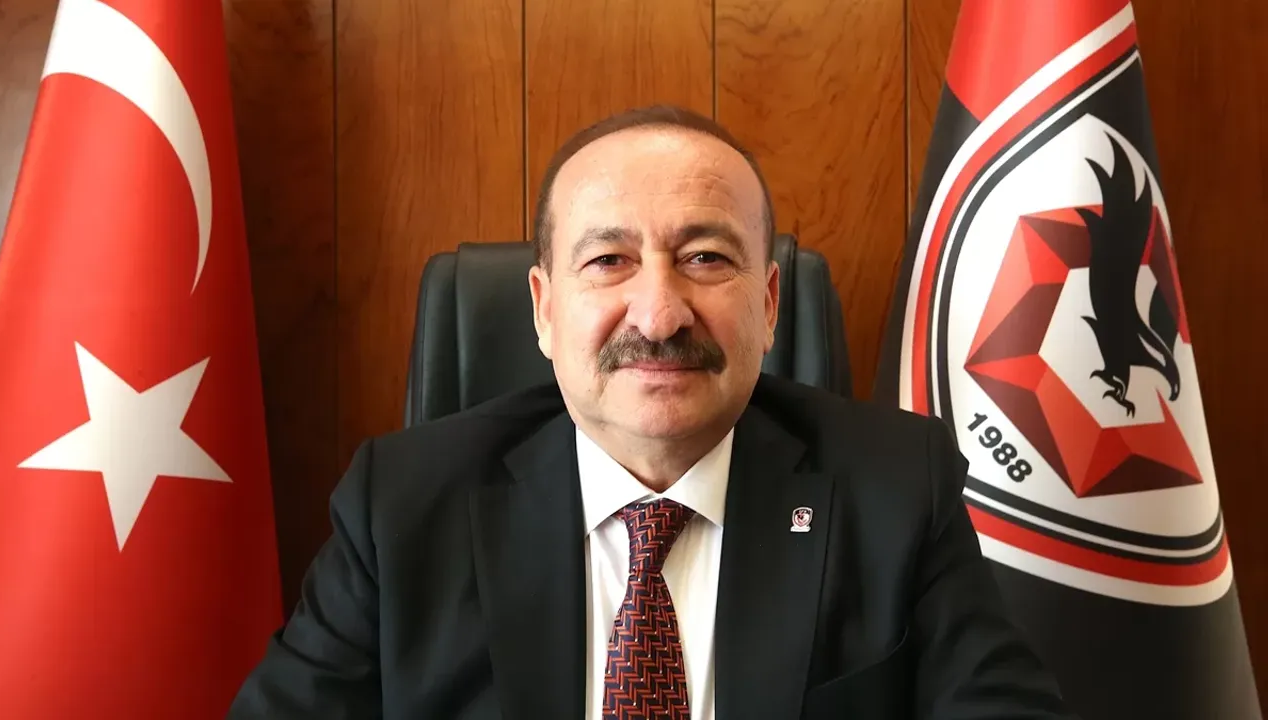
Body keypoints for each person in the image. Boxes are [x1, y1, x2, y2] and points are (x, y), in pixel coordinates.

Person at [228, 105, 1076, 719]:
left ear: (769, 306)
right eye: (608, 260)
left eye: (705, 258)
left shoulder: (897, 489)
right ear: (543, 309)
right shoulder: (402, 506)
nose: (661, 313)